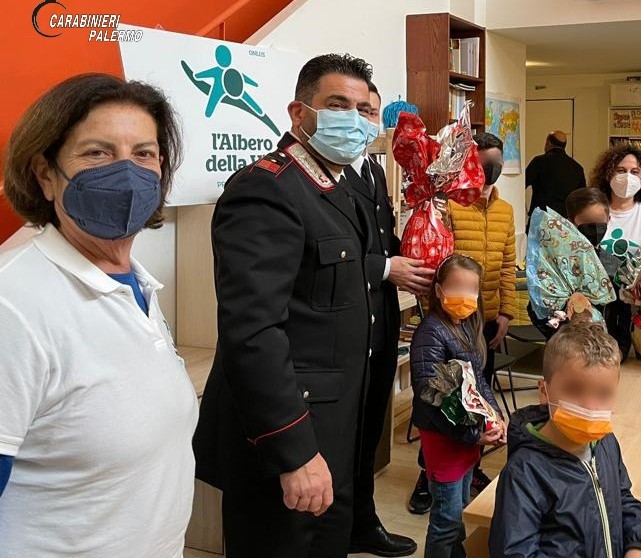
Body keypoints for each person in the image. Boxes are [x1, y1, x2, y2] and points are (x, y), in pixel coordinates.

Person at [0, 74, 197, 556]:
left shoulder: (135, 284)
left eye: (143, 153)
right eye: (97, 153)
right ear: (46, 175)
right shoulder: (14, 304)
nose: (126, 173)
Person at [193, 54, 379, 557]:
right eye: (337, 105)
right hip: (289, 434)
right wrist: (293, 451)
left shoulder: (338, 184)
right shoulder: (267, 189)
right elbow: (252, 332)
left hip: (334, 426)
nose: (354, 120)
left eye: (363, 109)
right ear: (300, 113)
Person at [489, 321, 641, 558]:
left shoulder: (606, 443)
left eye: (603, 394)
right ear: (544, 391)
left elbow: (623, 500)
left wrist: (638, 547)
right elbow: (514, 552)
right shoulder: (524, 472)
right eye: (573, 390)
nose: (590, 406)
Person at [344, 81, 428, 557]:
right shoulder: (318, 177)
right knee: (344, 439)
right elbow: (324, 260)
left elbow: (382, 238)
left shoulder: (374, 169)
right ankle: (345, 523)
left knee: (369, 432)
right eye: (347, 107)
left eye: (370, 111)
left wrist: (420, 244)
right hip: (345, 329)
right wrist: (385, 267)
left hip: (380, 326)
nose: (361, 120)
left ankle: (362, 520)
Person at [409, 254, 505, 558]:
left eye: (471, 289)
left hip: (466, 438)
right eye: (456, 287)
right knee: (446, 521)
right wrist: (474, 435)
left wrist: (495, 417)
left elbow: (478, 381)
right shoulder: (430, 332)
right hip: (445, 439)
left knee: (459, 509)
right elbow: (432, 395)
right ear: (439, 290)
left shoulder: (465, 327)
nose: (464, 296)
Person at [590, 145, 641, 361]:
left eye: (634, 172)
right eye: (620, 170)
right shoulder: (593, 211)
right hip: (600, 309)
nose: (628, 177)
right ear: (608, 173)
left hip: (638, 312)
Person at [527, 187, 613, 339]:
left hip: (607, 346)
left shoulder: (613, 264)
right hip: (565, 345)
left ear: (608, 219)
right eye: (587, 221)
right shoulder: (555, 266)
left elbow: (620, 315)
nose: (594, 227)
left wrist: (617, 348)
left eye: (599, 221)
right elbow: (538, 309)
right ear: (570, 222)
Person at [526, 130, 586, 220]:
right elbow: (582, 199)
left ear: (548, 143)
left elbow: (521, 185)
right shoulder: (577, 168)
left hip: (540, 218)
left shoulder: (539, 162)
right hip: (564, 221)